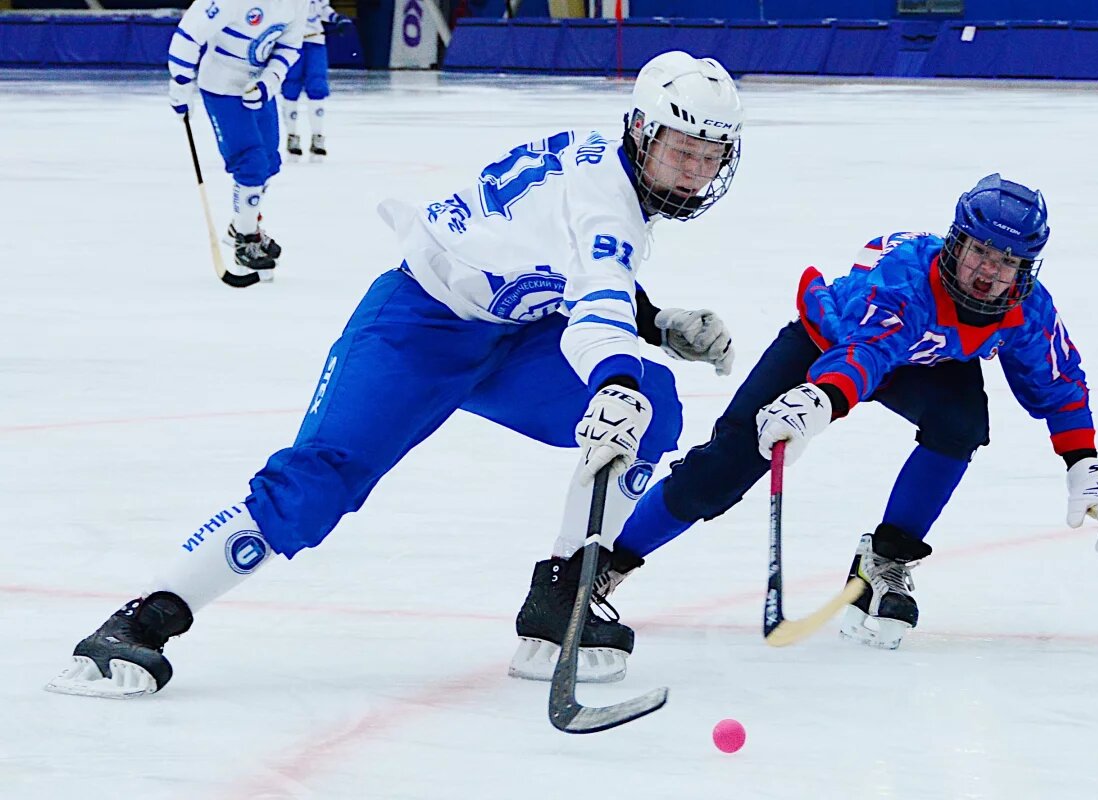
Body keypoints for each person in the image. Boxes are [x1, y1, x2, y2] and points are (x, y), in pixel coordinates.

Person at [45, 51, 743, 698]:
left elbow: (555, 261)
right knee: (321, 481)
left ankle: (560, 601)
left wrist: (653, 324)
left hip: (509, 333)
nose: (693, 172)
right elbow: (595, 297)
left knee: (656, 403)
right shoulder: (609, 202)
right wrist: (613, 378)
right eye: (682, 151)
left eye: (709, 158)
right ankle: (141, 622)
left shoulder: (603, 169)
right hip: (418, 327)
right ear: (642, 131)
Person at [606, 174, 1098, 651]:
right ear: (957, 243)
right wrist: (819, 399)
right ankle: (607, 561)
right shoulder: (906, 280)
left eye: (1007, 261)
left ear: (1025, 268)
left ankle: (886, 559)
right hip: (829, 343)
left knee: (961, 421)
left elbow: (1057, 382)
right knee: (724, 467)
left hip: (924, 360)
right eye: (980, 252)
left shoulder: (1026, 308)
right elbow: (866, 352)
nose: (989, 271)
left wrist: (1083, 461)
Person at [167, 0, 307, 277]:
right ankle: (246, 240)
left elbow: (290, 46)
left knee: (269, 163)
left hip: (258, 88)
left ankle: (241, 225)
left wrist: (270, 80)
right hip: (222, 87)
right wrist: (181, 84)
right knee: (251, 163)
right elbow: (188, 36)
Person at [281, 0, 354, 162]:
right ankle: (292, 136)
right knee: (290, 88)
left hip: (315, 41)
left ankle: (317, 136)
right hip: (291, 41)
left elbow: (320, 7)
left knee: (317, 86)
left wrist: (336, 18)